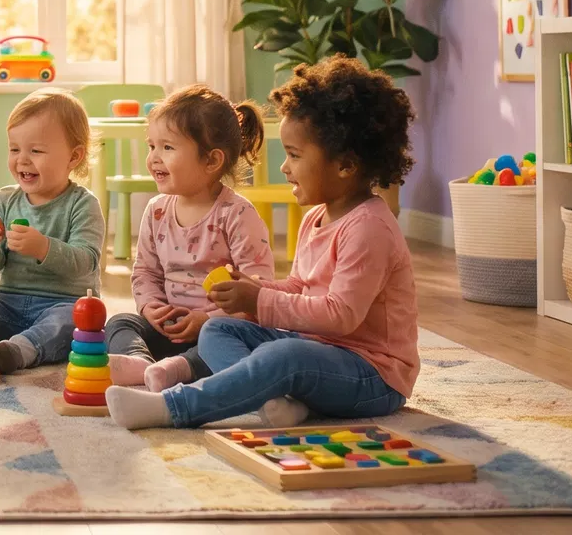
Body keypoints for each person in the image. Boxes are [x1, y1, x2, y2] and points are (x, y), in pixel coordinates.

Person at [106, 57, 420, 429]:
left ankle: (174, 407)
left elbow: (341, 315)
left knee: (285, 354)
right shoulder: (316, 218)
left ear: (346, 165)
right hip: (317, 351)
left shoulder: (369, 228)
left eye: (294, 156)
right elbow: (300, 286)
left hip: (371, 373)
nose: (285, 167)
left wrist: (260, 300)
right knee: (218, 329)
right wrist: (254, 289)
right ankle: (272, 402)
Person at [102, 85, 273, 389]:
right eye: (151, 146)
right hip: (168, 325)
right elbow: (145, 272)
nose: (154, 157)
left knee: (229, 346)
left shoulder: (237, 214)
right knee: (119, 322)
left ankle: (179, 369)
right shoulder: (156, 211)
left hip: (217, 330)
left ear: (211, 161)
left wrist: (208, 319)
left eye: (167, 148)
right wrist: (151, 306)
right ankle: (140, 362)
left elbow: (256, 287)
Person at [0, 89, 104, 372]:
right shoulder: (5, 200)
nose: (22, 159)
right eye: (14, 149)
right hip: (7, 302)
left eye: (36, 151)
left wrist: (43, 247)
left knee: (75, 319)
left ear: (73, 156)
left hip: (60, 304)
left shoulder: (83, 204)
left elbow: (86, 262)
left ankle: (21, 349)